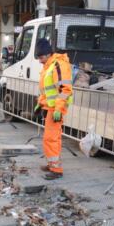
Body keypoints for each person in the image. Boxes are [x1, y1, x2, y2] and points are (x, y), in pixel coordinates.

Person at [34, 38, 73, 180]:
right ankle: (52, 164)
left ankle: (56, 169)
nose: (40, 60)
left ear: (48, 54)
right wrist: (39, 105)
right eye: (38, 57)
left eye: (41, 57)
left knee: (51, 139)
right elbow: (47, 91)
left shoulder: (58, 65)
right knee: (51, 138)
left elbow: (65, 89)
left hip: (56, 109)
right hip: (51, 107)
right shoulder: (49, 66)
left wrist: (58, 109)